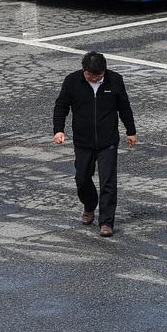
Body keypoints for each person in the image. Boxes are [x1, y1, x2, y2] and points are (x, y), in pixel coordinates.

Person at [53, 51, 137, 237]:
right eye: (90, 75)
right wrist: (59, 130)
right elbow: (61, 106)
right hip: (83, 141)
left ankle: (106, 222)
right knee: (82, 179)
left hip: (108, 141)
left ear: (104, 71)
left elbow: (124, 106)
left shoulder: (115, 80)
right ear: (84, 71)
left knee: (108, 182)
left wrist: (130, 130)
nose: (94, 78)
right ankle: (90, 205)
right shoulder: (72, 81)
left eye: (98, 75)